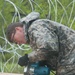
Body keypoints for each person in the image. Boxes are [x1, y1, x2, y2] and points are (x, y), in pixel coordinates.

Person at [6, 12, 75, 75]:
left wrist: (28, 58)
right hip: (68, 61)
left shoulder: (35, 27)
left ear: (18, 29)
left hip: (71, 59)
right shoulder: (32, 35)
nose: (18, 43)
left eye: (14, 39)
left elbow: (48, 48)